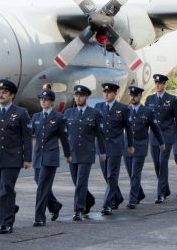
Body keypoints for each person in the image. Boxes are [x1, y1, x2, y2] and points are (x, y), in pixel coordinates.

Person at [0, 79, 32, 234]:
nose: (1, 95)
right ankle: (10, 207)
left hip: (12, 157)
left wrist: (27, 158)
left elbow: (27, 137)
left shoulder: (21, 113)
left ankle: (6, 223)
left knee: (6, 188)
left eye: (4, 92)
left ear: (12, 95)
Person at [64, 85, 104, 220]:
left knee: (81, 181)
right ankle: (90, 199)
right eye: (76, 96)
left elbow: (100, 134)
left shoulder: (94, 113)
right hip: (72, 153)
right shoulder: (68, 113)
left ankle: (78, 210)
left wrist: (102, 152)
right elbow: (65, 134)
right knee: (76, 182)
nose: (78, 98)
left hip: (87, 153)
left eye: (81, 96)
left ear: (86, 97)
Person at [31, 89, 70, 225]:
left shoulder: (59, 117)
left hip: (50, 157)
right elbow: (29, 134)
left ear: (52, 102)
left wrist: (68, 154)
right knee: (40, 183)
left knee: (42, 186)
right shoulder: (36, 117)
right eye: (41, 99)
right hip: (38, 157)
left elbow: (64, 138)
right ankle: (54, 205)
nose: (43, 101)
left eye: (46, 99)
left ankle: (40, 217)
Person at [144, 74, 177, 203]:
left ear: (164, 84)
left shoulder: (171, 99)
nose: (158, 85)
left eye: (160, 83)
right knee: (156, 164)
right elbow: (146, 120)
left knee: (163, 163)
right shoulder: (149, 99)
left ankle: (160, 194)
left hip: (166, 136)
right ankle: (165, 188)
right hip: (153, 137)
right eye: (156, 83)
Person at [123, 86, 163, 209]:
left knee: (135, 173)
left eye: (135, 95)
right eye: (131, 95)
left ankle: (132, 199)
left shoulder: (147, 111)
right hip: (127, 146)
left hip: (140, 146)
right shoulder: (125, 110)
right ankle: (139, 194)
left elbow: (155, 128)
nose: (132, 98)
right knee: (131, 173)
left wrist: (162, 143)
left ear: (140, 96)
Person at [97, 82, 133, 215]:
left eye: (109, 92)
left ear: (115, 93)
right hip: (101, 148)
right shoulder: (98, 106)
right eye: (104, 92)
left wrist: (130, 145)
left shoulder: (123, 108)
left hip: (115, 147)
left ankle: (107, 205)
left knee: (112, 176)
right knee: (106, 176)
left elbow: (128, 128)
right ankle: (117, 197)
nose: (106, 94)